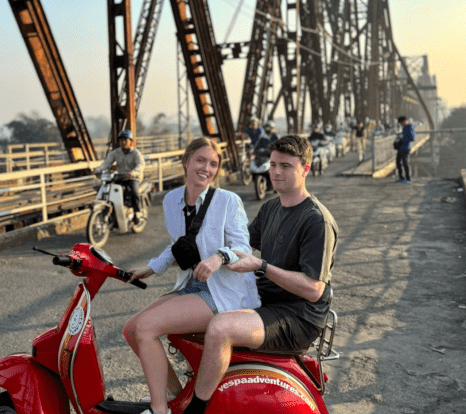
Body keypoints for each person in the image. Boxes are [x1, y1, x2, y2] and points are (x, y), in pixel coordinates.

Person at [182, 135, 338, 414]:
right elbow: (238, 244)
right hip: (266, 300)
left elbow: (314, 289)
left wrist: (262, 266)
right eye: (273, 164)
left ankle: (196, 409)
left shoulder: (316, 220)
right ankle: (179, 397)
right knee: (181, 313)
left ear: (306, 169)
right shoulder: (271, 207)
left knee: (220, 327)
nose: (276, 172)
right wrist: (208, 253)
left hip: (297, 314)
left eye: (286, 166)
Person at [124, 137, 261, 414]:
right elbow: (179, 244)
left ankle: (159, 410)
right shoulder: (172, 200)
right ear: (186, 161)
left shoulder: (227, 201)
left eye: (213, 164)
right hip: (193, 285)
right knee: (131, 330)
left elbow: (242, 248)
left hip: (224, 291)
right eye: (200, 160)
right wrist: (150, 268)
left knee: (146, 327)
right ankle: (179, 394)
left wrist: (218, 257)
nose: (206, 168)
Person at [93, 129, 145, 217]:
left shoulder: (136, 153)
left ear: (131, 142)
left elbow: (141, 164)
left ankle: (137, 212)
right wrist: (97, 170)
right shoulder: (115, 153)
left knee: (134, 192)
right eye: (121, 140)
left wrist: (133, 172)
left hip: (133, 177)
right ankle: (115, 213)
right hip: (121, 177)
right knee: (110, 191)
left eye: (126, 140)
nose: (123, 142)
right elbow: (106, 163)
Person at [395, 116, 416, 184]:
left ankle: (408, 178)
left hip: (406, 148)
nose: (401, 125)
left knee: (405, 163)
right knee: (398, 162)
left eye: (401, 123)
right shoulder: (404, 128)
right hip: (401, 148)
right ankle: (401, 177)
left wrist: (402, 139)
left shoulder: (410, 127)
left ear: (404, 121)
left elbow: (412, 138)